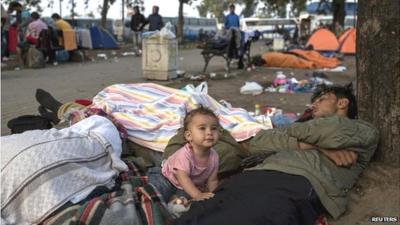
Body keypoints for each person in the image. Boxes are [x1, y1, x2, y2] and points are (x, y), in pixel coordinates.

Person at [174, 83, 379, 225]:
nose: (313, 105)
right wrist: (319, 147)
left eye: (322, 99)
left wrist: (292, 134)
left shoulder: (363, 129)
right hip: (257, 173)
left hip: (302, 181)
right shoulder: (306, 127)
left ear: (342, 103)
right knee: (204, 210)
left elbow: (333, 133)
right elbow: (259, 142)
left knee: (252, 216)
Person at [148, 107, 220, 205]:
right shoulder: (185, 155)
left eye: (214, 128)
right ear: (189, 136)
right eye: (202, 128)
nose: (209, 132)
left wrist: (215, 196)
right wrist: (198, 195)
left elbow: (212, 180)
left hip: (187, 185)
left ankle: (174, 203)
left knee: (187, 201)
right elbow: (183, 178)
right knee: (158, 192)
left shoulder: (214, 157)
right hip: (166, 177)